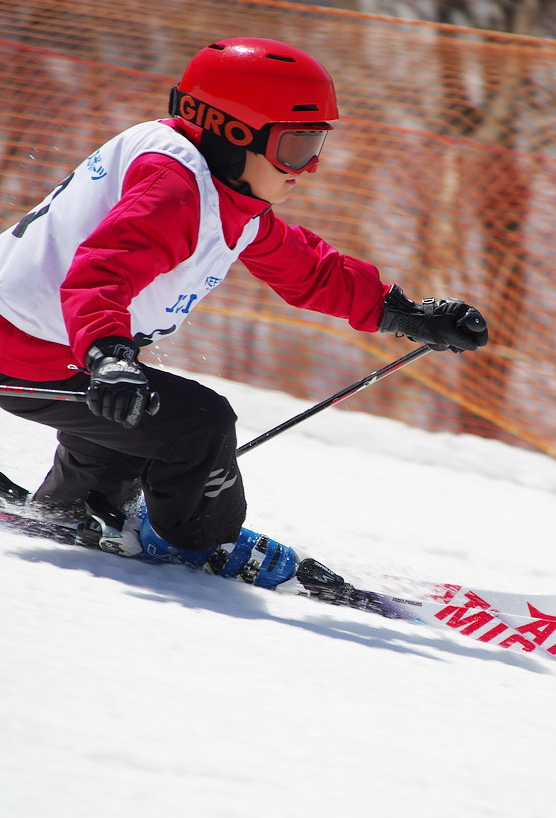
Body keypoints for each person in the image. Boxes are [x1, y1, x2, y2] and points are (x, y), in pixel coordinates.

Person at [0, 37, 488, 588]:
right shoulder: (175, 190)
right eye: (295, 148)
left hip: (51, 347)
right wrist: (110, 356)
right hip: (28, 347)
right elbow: (101, 273)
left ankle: (72, 514)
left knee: (128, 431)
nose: (309, 167)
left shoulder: (226, 194)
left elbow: (310, 269)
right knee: (198, 427)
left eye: (316, 147)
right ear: (233, 135)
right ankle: (203, 545)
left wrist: (404, 315)